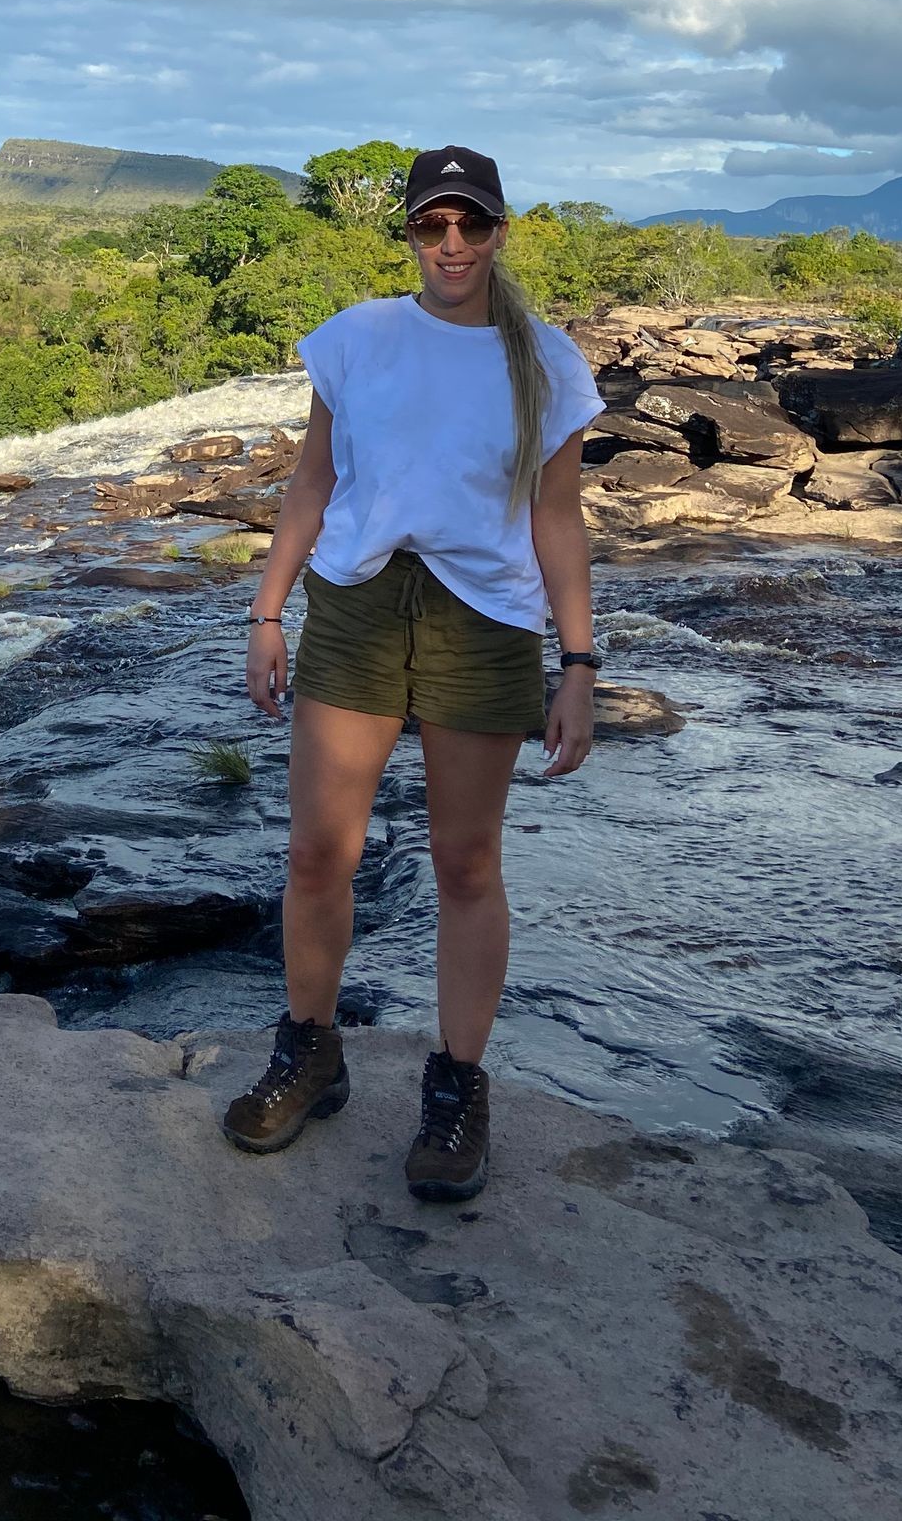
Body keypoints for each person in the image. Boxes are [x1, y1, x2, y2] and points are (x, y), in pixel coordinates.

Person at [221, 144, 604, 1201]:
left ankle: (457, 1087)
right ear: (408, 234)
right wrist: (266, 610)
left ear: (497, 233)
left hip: (486, 621)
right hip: (357, 606)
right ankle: (311, 1049)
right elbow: (310, 485)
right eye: (431, 227)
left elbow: (557, 518)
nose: (451, 245)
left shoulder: (547, 362)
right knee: (316, 852)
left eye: (470, 226)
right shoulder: (358, 340)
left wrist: (577, 662)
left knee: (466, 863)